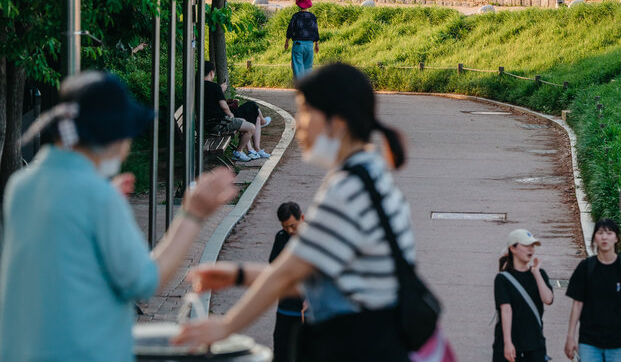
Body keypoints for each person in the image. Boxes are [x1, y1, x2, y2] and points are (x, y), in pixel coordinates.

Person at [175, 63, 416, 362]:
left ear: (337, 123)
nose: (298, 124)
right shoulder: (369, 174)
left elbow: (289, 273)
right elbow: (310, 272)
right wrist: (237, 274)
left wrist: (225, 326)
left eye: (305, 113)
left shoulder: (348, 189)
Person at [0, 71, 236, 362]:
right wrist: (193, 213)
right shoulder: (97, 197)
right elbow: (147, 281)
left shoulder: (22, 185)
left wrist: (102, 195)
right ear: (112, 137)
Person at [564, 219, 621, 362]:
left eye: (609, 233)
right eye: (600, 233)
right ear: (594, 239)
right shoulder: (585, 268)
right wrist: (570, 336)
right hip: (589, 340)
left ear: (616, 238)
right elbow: (577, 304)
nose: (604, 237)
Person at [493, 229, 554, 362]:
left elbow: (548, 299)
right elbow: (506, 310)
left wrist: (536, 273)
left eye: (532, 246)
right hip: (509, 345)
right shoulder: (503, 279)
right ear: (513, 248)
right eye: (526, 246)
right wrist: (508, 343)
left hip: (534, 345)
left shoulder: (540, 274)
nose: (530, 249)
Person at [203, 61, 263, 162]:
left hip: (207, 123)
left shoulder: (196, 86)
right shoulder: (214, 87)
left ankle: (248, 150)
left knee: (243, 120)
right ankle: (238, 152)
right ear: (211, 73)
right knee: (251, 128)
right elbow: (224, 107)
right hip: (217, 124)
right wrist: (230, 115)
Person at [270, 202, 306, 362]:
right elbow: (273, 268)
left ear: (302, 218)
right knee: (281, 351)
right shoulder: (281, 237)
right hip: (285, 308)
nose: (290, 231)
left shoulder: (314, 240)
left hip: (308, 312)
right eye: (285, 227)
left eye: (293, 226)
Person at [285, 0, 320, 79]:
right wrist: (317, 45)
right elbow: (315, 31)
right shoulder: (312, 17)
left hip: (298, 45)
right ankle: (308, 88)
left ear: (299, 4)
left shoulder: (295, 16)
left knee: (298, 67)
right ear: (308, 4)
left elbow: (290, 30)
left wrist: (286, 42)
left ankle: (301, 88)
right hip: (309, 45)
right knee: (308, 68)